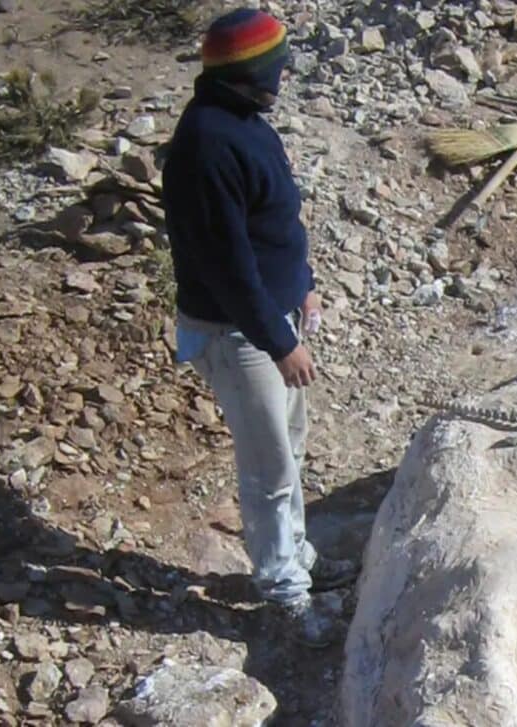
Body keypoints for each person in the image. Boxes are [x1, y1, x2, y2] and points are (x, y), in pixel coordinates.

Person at [161, 8, 356, 648]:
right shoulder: (207, 145)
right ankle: (282, 593)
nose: (285, 76)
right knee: (269, 465)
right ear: (251, 74)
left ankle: (296, 560)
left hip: (276, 318)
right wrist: (280, 342)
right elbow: (227, 266)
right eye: (276, 68)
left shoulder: (246, 122)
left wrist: (303, 285)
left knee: (291, 447)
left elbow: (276, 225)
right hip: (239, 333)